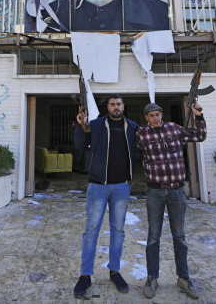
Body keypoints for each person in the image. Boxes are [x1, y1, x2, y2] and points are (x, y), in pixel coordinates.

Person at [135, 102, 207, 300]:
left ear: (162, 114)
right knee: (153, 236)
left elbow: (200, 136)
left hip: (176, 190)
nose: (155, 118)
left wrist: (198, 115)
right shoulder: (141, 133)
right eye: (151, 115)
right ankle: (152, 278)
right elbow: (131, 151)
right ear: (146, 118)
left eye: (157, 114)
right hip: (155, 192)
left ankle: (183, 278)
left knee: (180, 236)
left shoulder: (174, 128)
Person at [73, 94, 139, 299]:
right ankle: (85, 275)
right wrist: (80, 125)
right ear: (108, 107)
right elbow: (80, 144)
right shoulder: (97, 124)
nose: (115, 107)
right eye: (112, 104)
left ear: (123, 106)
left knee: (118, 231)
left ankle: (115, 271)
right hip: (98, 186)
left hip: (121, 186)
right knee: (91, 230)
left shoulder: (133, 126)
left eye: (119, 104)